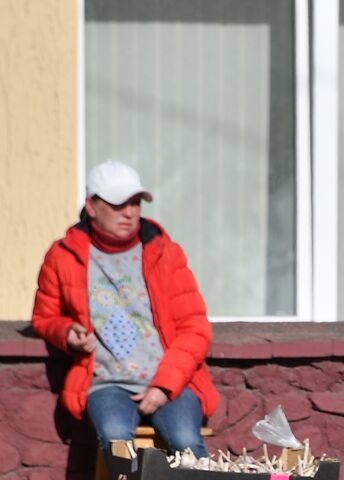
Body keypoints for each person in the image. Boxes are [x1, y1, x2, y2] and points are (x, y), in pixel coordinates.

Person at [32, 160, 218, 456]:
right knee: (116, 438)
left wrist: (164, 386)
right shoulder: (62, 255)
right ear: (91, 207)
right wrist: (68, 333)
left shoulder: (166, 253)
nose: (129, 212)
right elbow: (45, 317)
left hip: (172, 381)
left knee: (185, 440)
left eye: (135, 203)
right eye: (119, 204)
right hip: (106, 381)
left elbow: (194, 328)